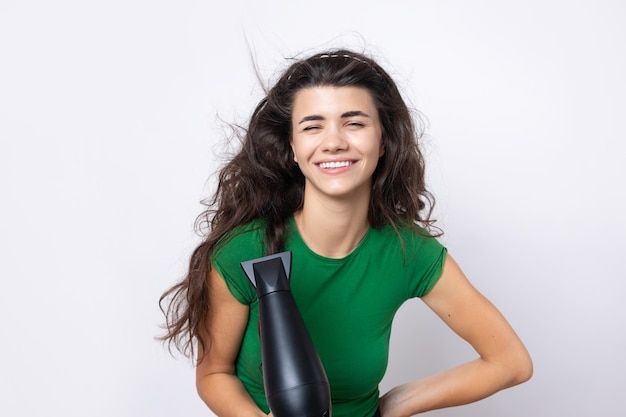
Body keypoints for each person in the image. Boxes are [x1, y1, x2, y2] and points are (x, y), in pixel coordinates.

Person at [159, 48, 533, 417]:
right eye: (313, 126)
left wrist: (398, 403)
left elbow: (510, 362)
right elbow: (214, 374)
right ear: (292, 146)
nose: (334, 141)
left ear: (384, 140)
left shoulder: (407, 252)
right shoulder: (246, 251)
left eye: (354, 123)